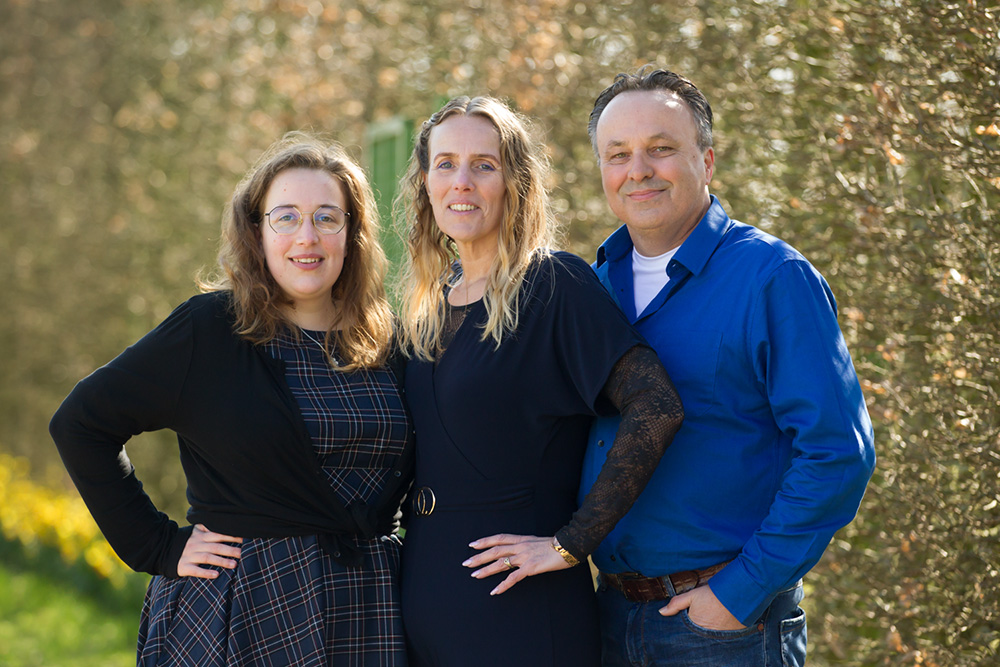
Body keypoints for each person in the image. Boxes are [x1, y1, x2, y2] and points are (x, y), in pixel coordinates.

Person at [49, 135, 414, 666]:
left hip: (370, 606)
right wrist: (158, 546)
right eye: (285, 217)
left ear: (352, 233)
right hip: (243, 606)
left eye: (327, 218)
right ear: (257, 232)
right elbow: (80, 424)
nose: (306, 237)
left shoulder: (392, 344)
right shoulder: (210, 330)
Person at [579, 67, 877, 666]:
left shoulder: (771, 278)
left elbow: (837, 453)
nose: (638, 169)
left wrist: (738, 594)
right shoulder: (592, 287)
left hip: (723, 631)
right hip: (605, 618)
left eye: (661, 149)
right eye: (619, 154)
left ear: (707, 161)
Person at [395, 96, 684, 666]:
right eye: (446, 164)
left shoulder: (554, 284)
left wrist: (570, 543)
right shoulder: (427, 303)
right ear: (425, 182)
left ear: (515, 182)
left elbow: (657, 405)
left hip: (518, 603)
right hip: (427, 592)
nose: (463, 182)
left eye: (485, 165)